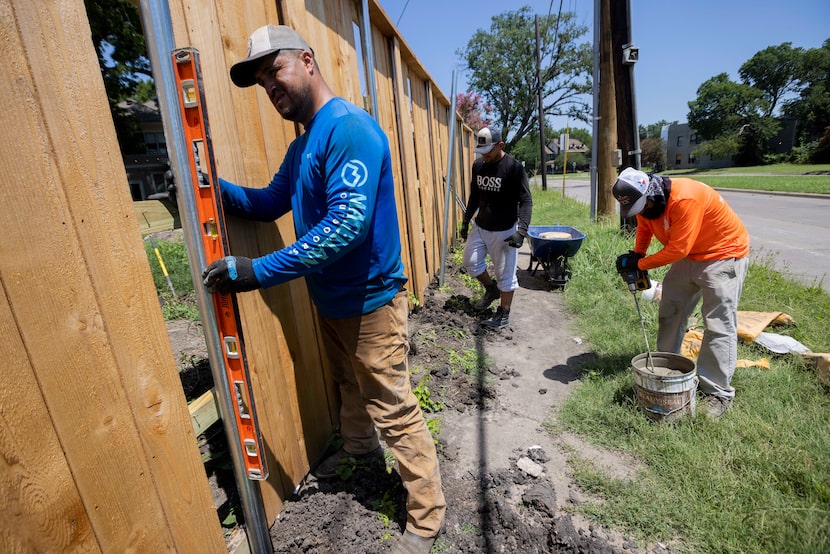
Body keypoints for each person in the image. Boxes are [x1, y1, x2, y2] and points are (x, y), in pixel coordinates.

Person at [202, 24, 445, 552]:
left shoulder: (348, 129)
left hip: (372, 301)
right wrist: (209, 187)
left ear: (307, 61)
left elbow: (346, 226)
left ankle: (426, 518)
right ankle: (358, 452)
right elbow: (270, 202)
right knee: (348, 387)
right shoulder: (305, 142)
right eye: (264, 82)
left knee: (393, 406)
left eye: (276, 71)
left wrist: (255, 271)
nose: (272, 88)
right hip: (333, 301)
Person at [611, 167, 750, 419]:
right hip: (690, 254)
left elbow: (678, 249)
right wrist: (637, 254)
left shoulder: (686, 198)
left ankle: (717, 392)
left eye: (641, 206)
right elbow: (644, 228)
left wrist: (639, 266)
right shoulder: (647, 204)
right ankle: (664, 370)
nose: (640, 212)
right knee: (670, 310)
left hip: (722, 254)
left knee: (718, 324)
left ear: (650, 193)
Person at [460, 127, 533, 330]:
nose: (485, 156)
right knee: (470, 262)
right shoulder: (479, 166)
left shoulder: (514, 168)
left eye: (488, 151)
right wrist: (466, 221)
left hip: (504, 230)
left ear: (501, 145)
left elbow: (526, 201)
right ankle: (491, 289)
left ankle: (503, 314)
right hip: (481, 226)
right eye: (481, 151)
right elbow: (474, 196)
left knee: (506, 276)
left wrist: (522, 231)